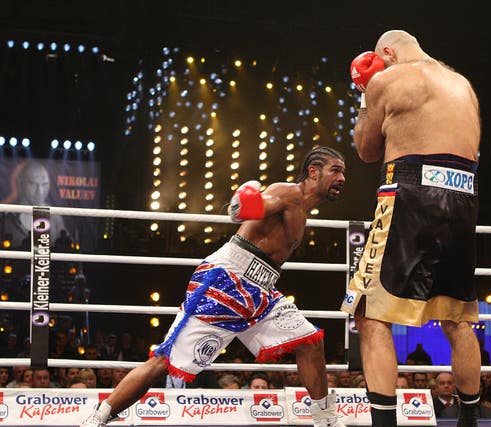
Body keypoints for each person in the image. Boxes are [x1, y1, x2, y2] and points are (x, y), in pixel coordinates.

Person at [80, 146, 346, 427]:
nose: (342, 178)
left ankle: (325, 418)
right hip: (226, 281)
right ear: (314, 172)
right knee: (163, 361)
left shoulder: (302, 210)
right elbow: (248, 210)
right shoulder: (288, 193)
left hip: (262, 290)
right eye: (336, 170)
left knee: (309, 342)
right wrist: (243, 201)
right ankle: (98, 418)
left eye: (343, 172)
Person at [341, 29, 481, 427]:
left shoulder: (387, 78)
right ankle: (468, 422)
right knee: (457, 318)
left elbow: (367, 150)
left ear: (386, 53)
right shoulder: (462, 85)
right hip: (463, 196)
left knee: (371, 315)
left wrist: (366, 92)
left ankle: (384, 423)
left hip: (410, 194)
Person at [4, 160, 67, 248]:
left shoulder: (54, 216)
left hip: (47, 260)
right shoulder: (7, 216)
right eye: (33, 184)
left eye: (45, 184)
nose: (40, 192)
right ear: (21, 183)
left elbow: (67, 246)